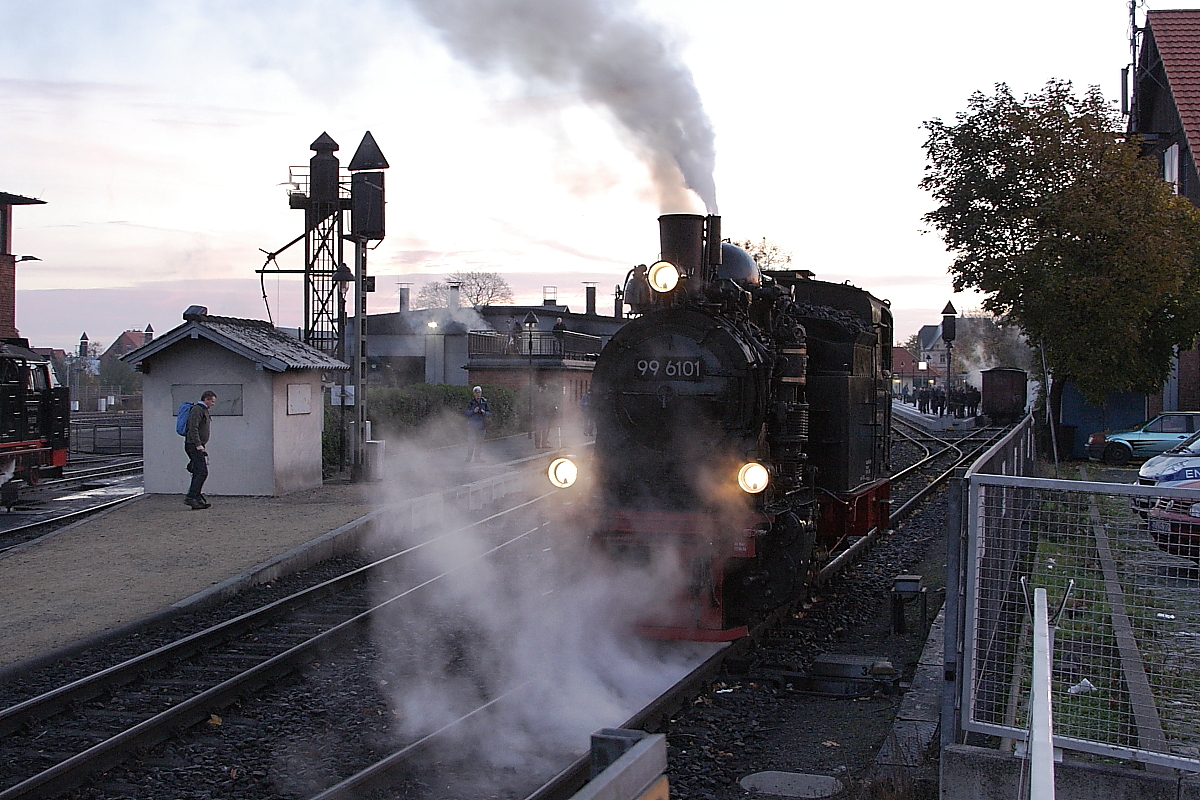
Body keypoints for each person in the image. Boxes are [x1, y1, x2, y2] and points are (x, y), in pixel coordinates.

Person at [184, 390, 216, 509]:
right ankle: (192, 497)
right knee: (202, 472)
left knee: (198, 471)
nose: (213, 404)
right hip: (194, 445)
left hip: (197, 445)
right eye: (212, 401)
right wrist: (198, 444)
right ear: (206, 399)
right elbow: (193, 427)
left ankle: (196, 498)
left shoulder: (203, 410)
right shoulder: (197, 410)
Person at [464, 385, 491, 463]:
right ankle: (469, 457)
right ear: (473, 394)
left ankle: (477, 458)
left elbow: (489, 413)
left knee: (479, 443)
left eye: (479, 393)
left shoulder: (484, 402)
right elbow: (465, 412)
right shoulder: (470, 403)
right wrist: (473, 411)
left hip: (481, 426)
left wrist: (484, 412)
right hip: (472, 425)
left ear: (481, 393)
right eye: (476, 393)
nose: (477, 394)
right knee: (471, 442)